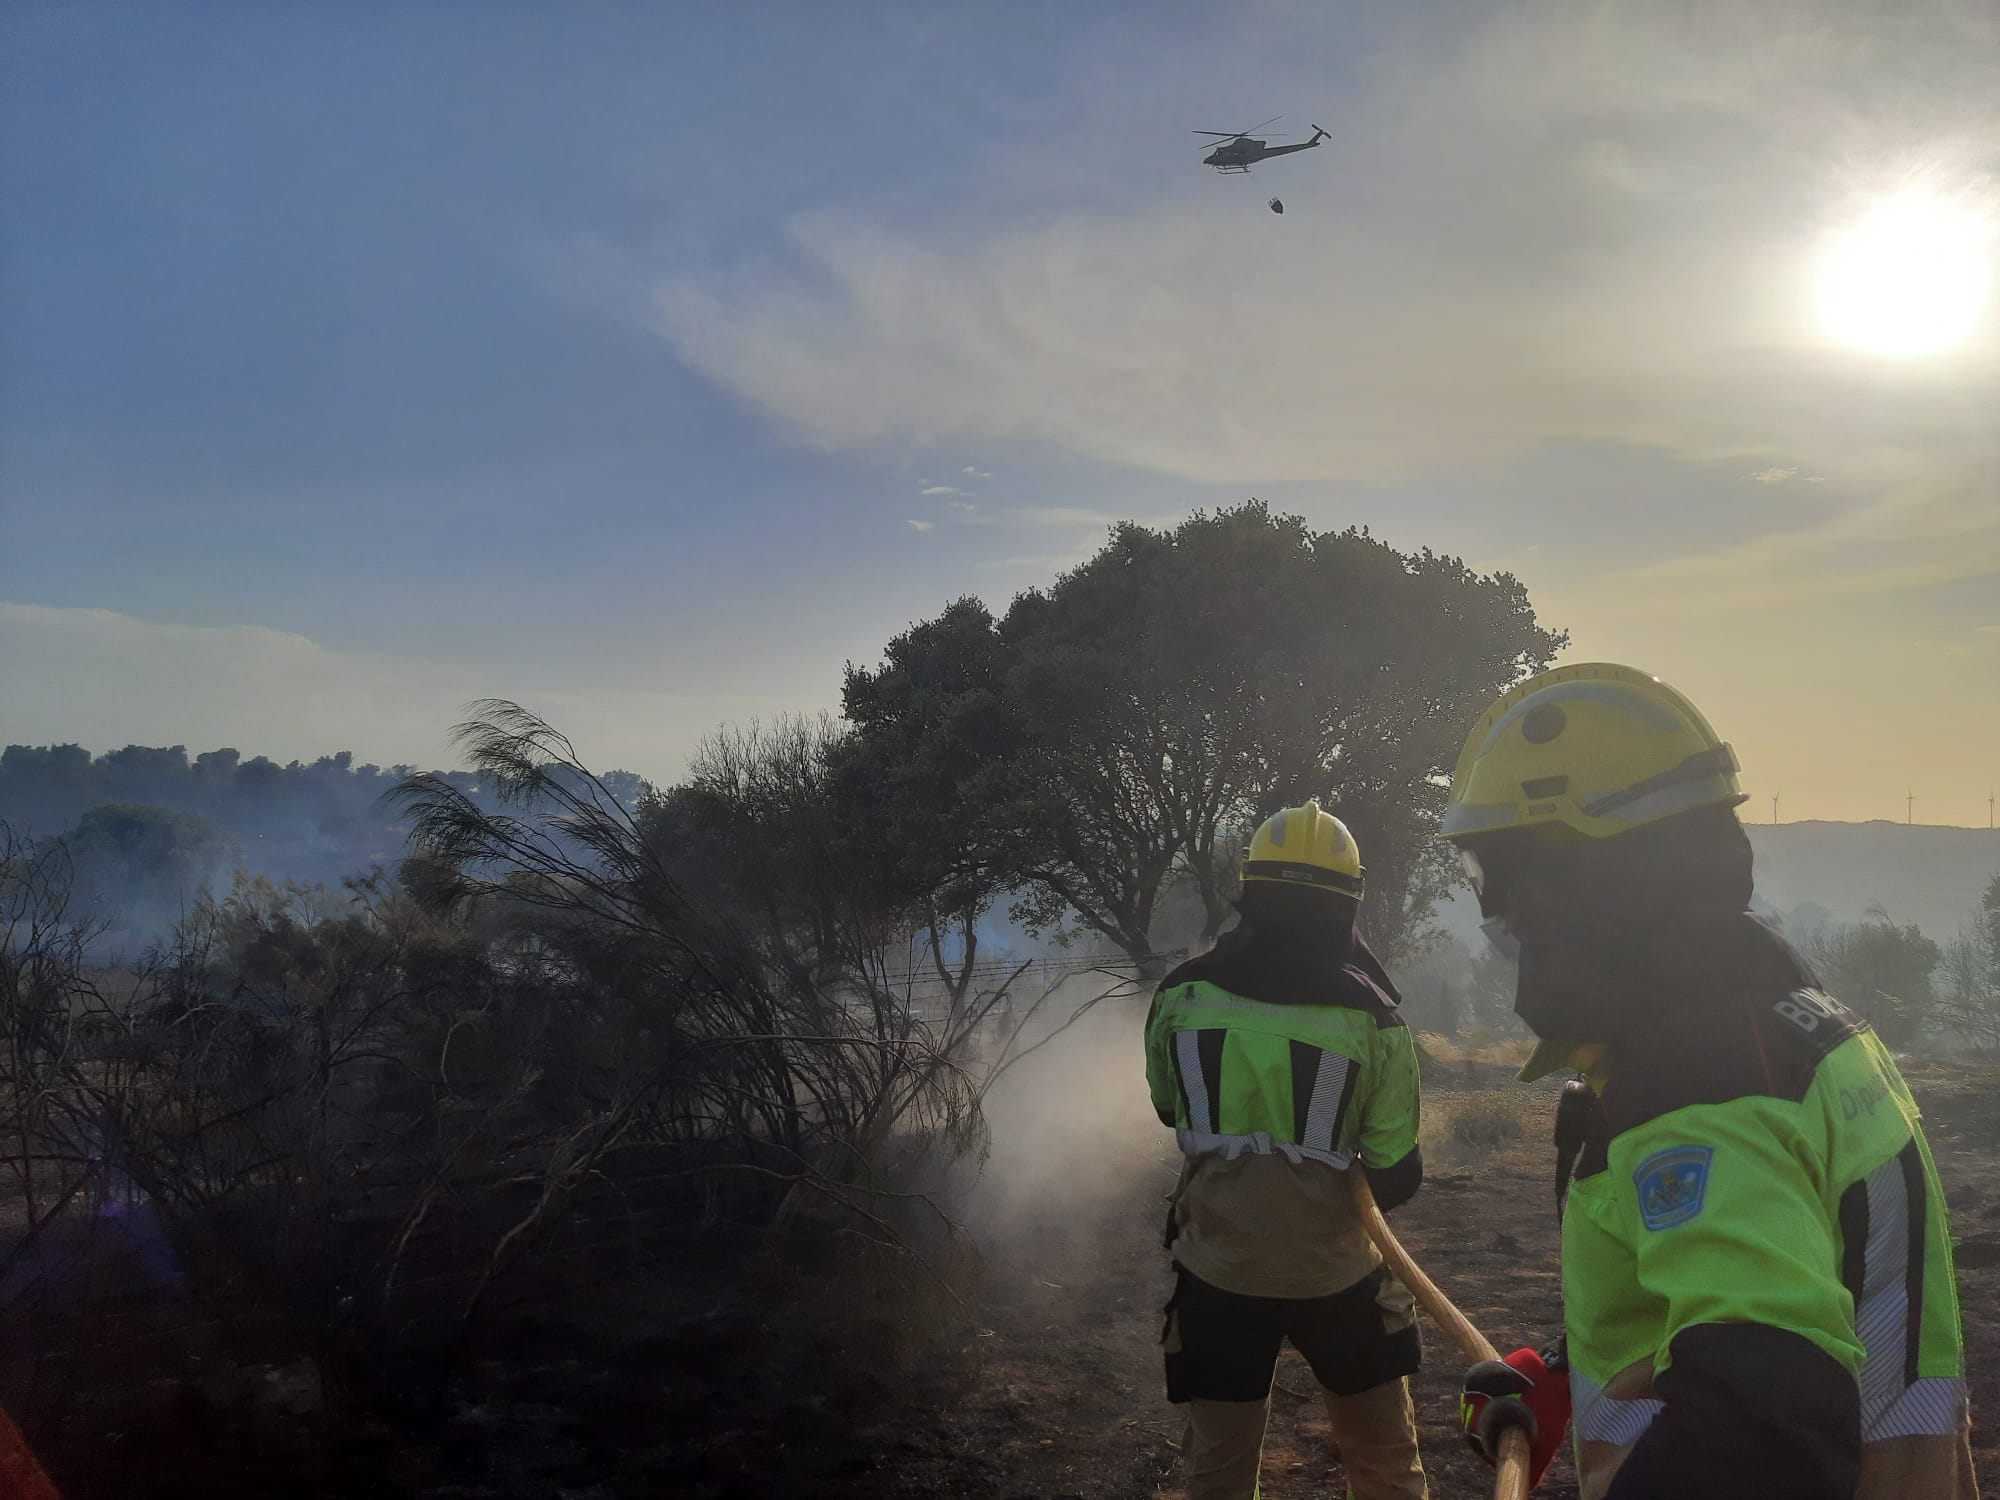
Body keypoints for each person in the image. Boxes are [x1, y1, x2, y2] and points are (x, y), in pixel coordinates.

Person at [1440, 661, 1977, 1499]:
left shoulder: (1702, 1081)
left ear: (1584, 885)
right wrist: (1569, 1380)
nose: (1499, 917)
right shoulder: (1773, 1017)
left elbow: (1765, 1423)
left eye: (1501, 879)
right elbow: (1762, 1286)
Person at [1144, 800, 1428, 1500]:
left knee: (1218, 1470)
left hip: (1218, 1268)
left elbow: (1168, 1107)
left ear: (1251, 892)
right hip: (1336, 1276)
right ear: (1347, 902)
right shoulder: (1376, 1021)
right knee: (1384, 1462)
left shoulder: (1181, 995)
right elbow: (1394, 1177)